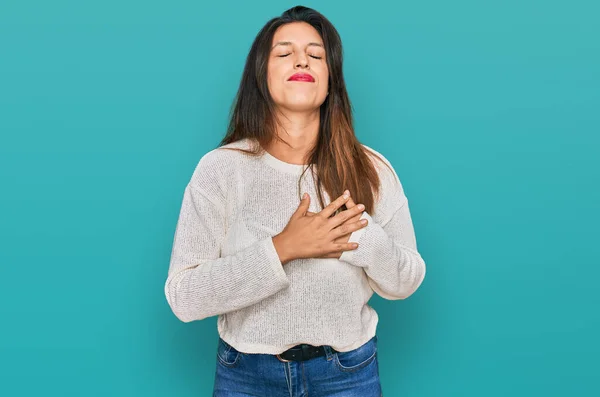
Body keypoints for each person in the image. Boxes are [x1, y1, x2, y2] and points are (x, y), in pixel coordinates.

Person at [164, 5, 426, 396]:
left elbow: (407, 280)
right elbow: (184, 297)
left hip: (348, 374)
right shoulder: (221, 169)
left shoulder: (371, 168)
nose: (301, 59)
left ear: (330, 79)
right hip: (246, 377)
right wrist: (283, 248)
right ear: (261, 75)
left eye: (316, 54)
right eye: (284, 53)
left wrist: (358, 237)